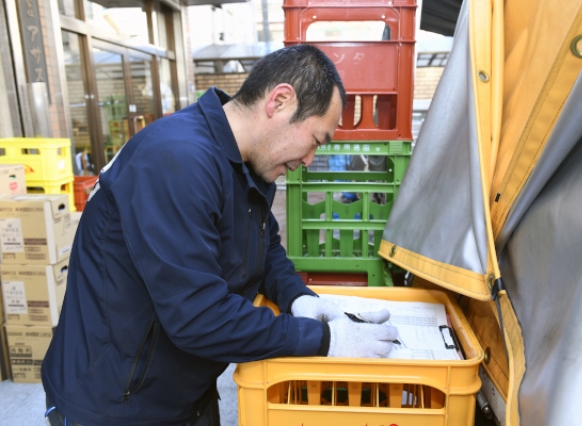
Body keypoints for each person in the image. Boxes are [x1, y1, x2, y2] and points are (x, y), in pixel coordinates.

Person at [42, 45, 398, 426]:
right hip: (115, 404)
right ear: (279, 101)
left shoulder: (248, 162)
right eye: (316, 140)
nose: (309, 160)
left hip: (184, 390)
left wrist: (299, 298)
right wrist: (324, 340)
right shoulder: (176, 161)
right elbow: (198, 315)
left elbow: (266, 248)